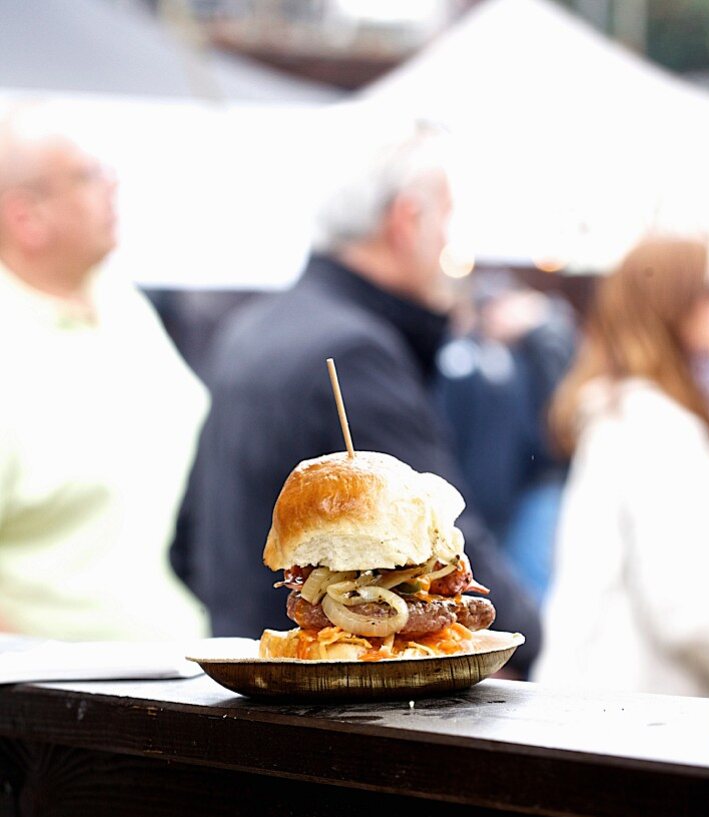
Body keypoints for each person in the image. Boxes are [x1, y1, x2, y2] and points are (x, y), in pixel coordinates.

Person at [173, 121, 541, 671]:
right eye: (446, 217)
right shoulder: (356, 351)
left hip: (252, 690)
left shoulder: (250, 328)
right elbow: (437, 535)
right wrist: (528, 632)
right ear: (407, 221)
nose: (449, 241)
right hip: (340, 710)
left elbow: (186, 546)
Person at [0, 103, 209, 641]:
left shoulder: (117, 297)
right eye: (88, 177)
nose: (112, 186)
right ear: (27, 216)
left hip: (170, 653)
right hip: (52, 689)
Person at [534, 237, 709, 697]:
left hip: (615, 705)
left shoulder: (646, 412)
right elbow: (689, 608)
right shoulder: (653, 425)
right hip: (641, 712)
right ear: (671, 300)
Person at [435, 272, 576, 600]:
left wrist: (541, 327)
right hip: (472, 498)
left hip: (522, 493)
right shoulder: (458, 354)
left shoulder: (528, 351)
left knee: (524, 589)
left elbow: (547, 413)